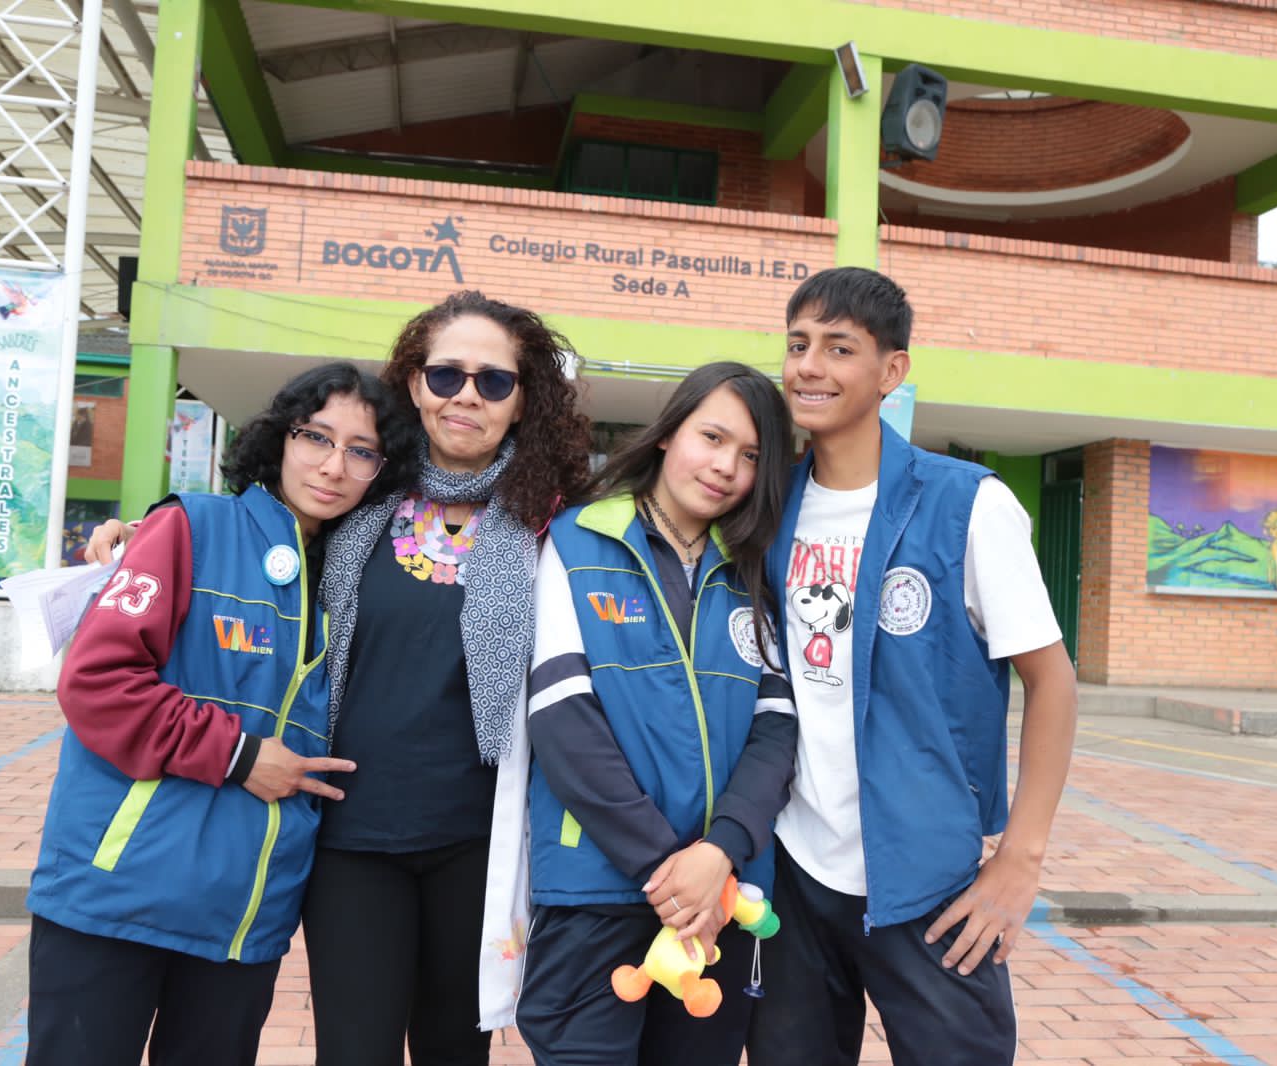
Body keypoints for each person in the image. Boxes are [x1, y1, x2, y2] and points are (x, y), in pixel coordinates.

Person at [26, 362, 416, 1066]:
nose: (333, 466)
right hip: (117, 894)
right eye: (315, 437)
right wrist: (239, 755)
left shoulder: (356, 580)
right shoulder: (189, 527)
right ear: (280, 438)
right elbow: (96, 682)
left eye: (361, 451)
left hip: (244, 920)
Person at [743, 267, 1079, 1066]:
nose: (808, 367)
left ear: (891, 371)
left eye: (838, 348)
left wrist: (1019, 862)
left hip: (927, 882)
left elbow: (1053, 680)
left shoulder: (967, 503)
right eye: (797, 345)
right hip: (793, 871)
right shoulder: (766, 504)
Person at [306, 290, 590, 1065]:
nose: (467, 394)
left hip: (481, 843)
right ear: (411, 384)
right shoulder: (350, 500)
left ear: (524, 401)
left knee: (454, 1056)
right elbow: (241, 538)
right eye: (446, 375)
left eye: (494, 381)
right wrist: (140, 529)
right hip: (351, 838)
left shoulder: (559, 526)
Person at [515, 362, 798, 1066]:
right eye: (713, 436)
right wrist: (670, 872)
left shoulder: (754, 568)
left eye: (752, 456)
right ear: (670, 432)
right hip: (597, 888)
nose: (727, 466)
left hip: (721, 897)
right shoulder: (578, 542)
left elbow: (777, 728)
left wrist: (718, 852)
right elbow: (561, 718)